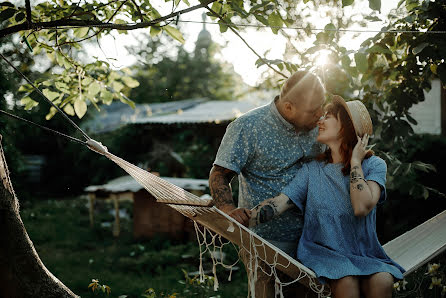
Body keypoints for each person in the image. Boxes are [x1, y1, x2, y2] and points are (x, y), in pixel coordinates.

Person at [249, 95, 405, 298]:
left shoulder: (374, 166)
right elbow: (279, 203)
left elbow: (362, 207)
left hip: (363, 253)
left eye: (329, 116)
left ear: (346, 128)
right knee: (346, 282)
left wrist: (356, 162)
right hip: (324, 253)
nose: (320, 121)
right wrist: (241, 217)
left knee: (382, 282)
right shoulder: (311, 170)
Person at [209, 70, 325, 297]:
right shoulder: (247, 127)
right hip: (263, 242)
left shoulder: (319, 127)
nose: (320, 114)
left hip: (313, 242)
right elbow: (219, 174)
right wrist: (227, 209)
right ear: (289, 107)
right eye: (313, 110)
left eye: (322, 105)